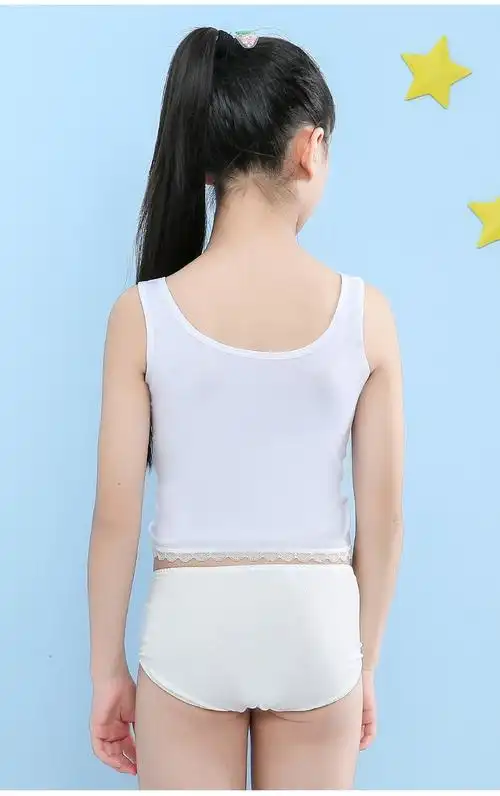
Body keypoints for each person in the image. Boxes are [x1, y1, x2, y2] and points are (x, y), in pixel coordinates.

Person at [87, 26, 404, 790]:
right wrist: (362, 661)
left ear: (207, 160)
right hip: (317, 625)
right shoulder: (365, 315)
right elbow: (386, 517)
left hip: (191, 624)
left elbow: (114, 519)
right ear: (309, 149)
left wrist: (106, 673)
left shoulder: (143, 314)